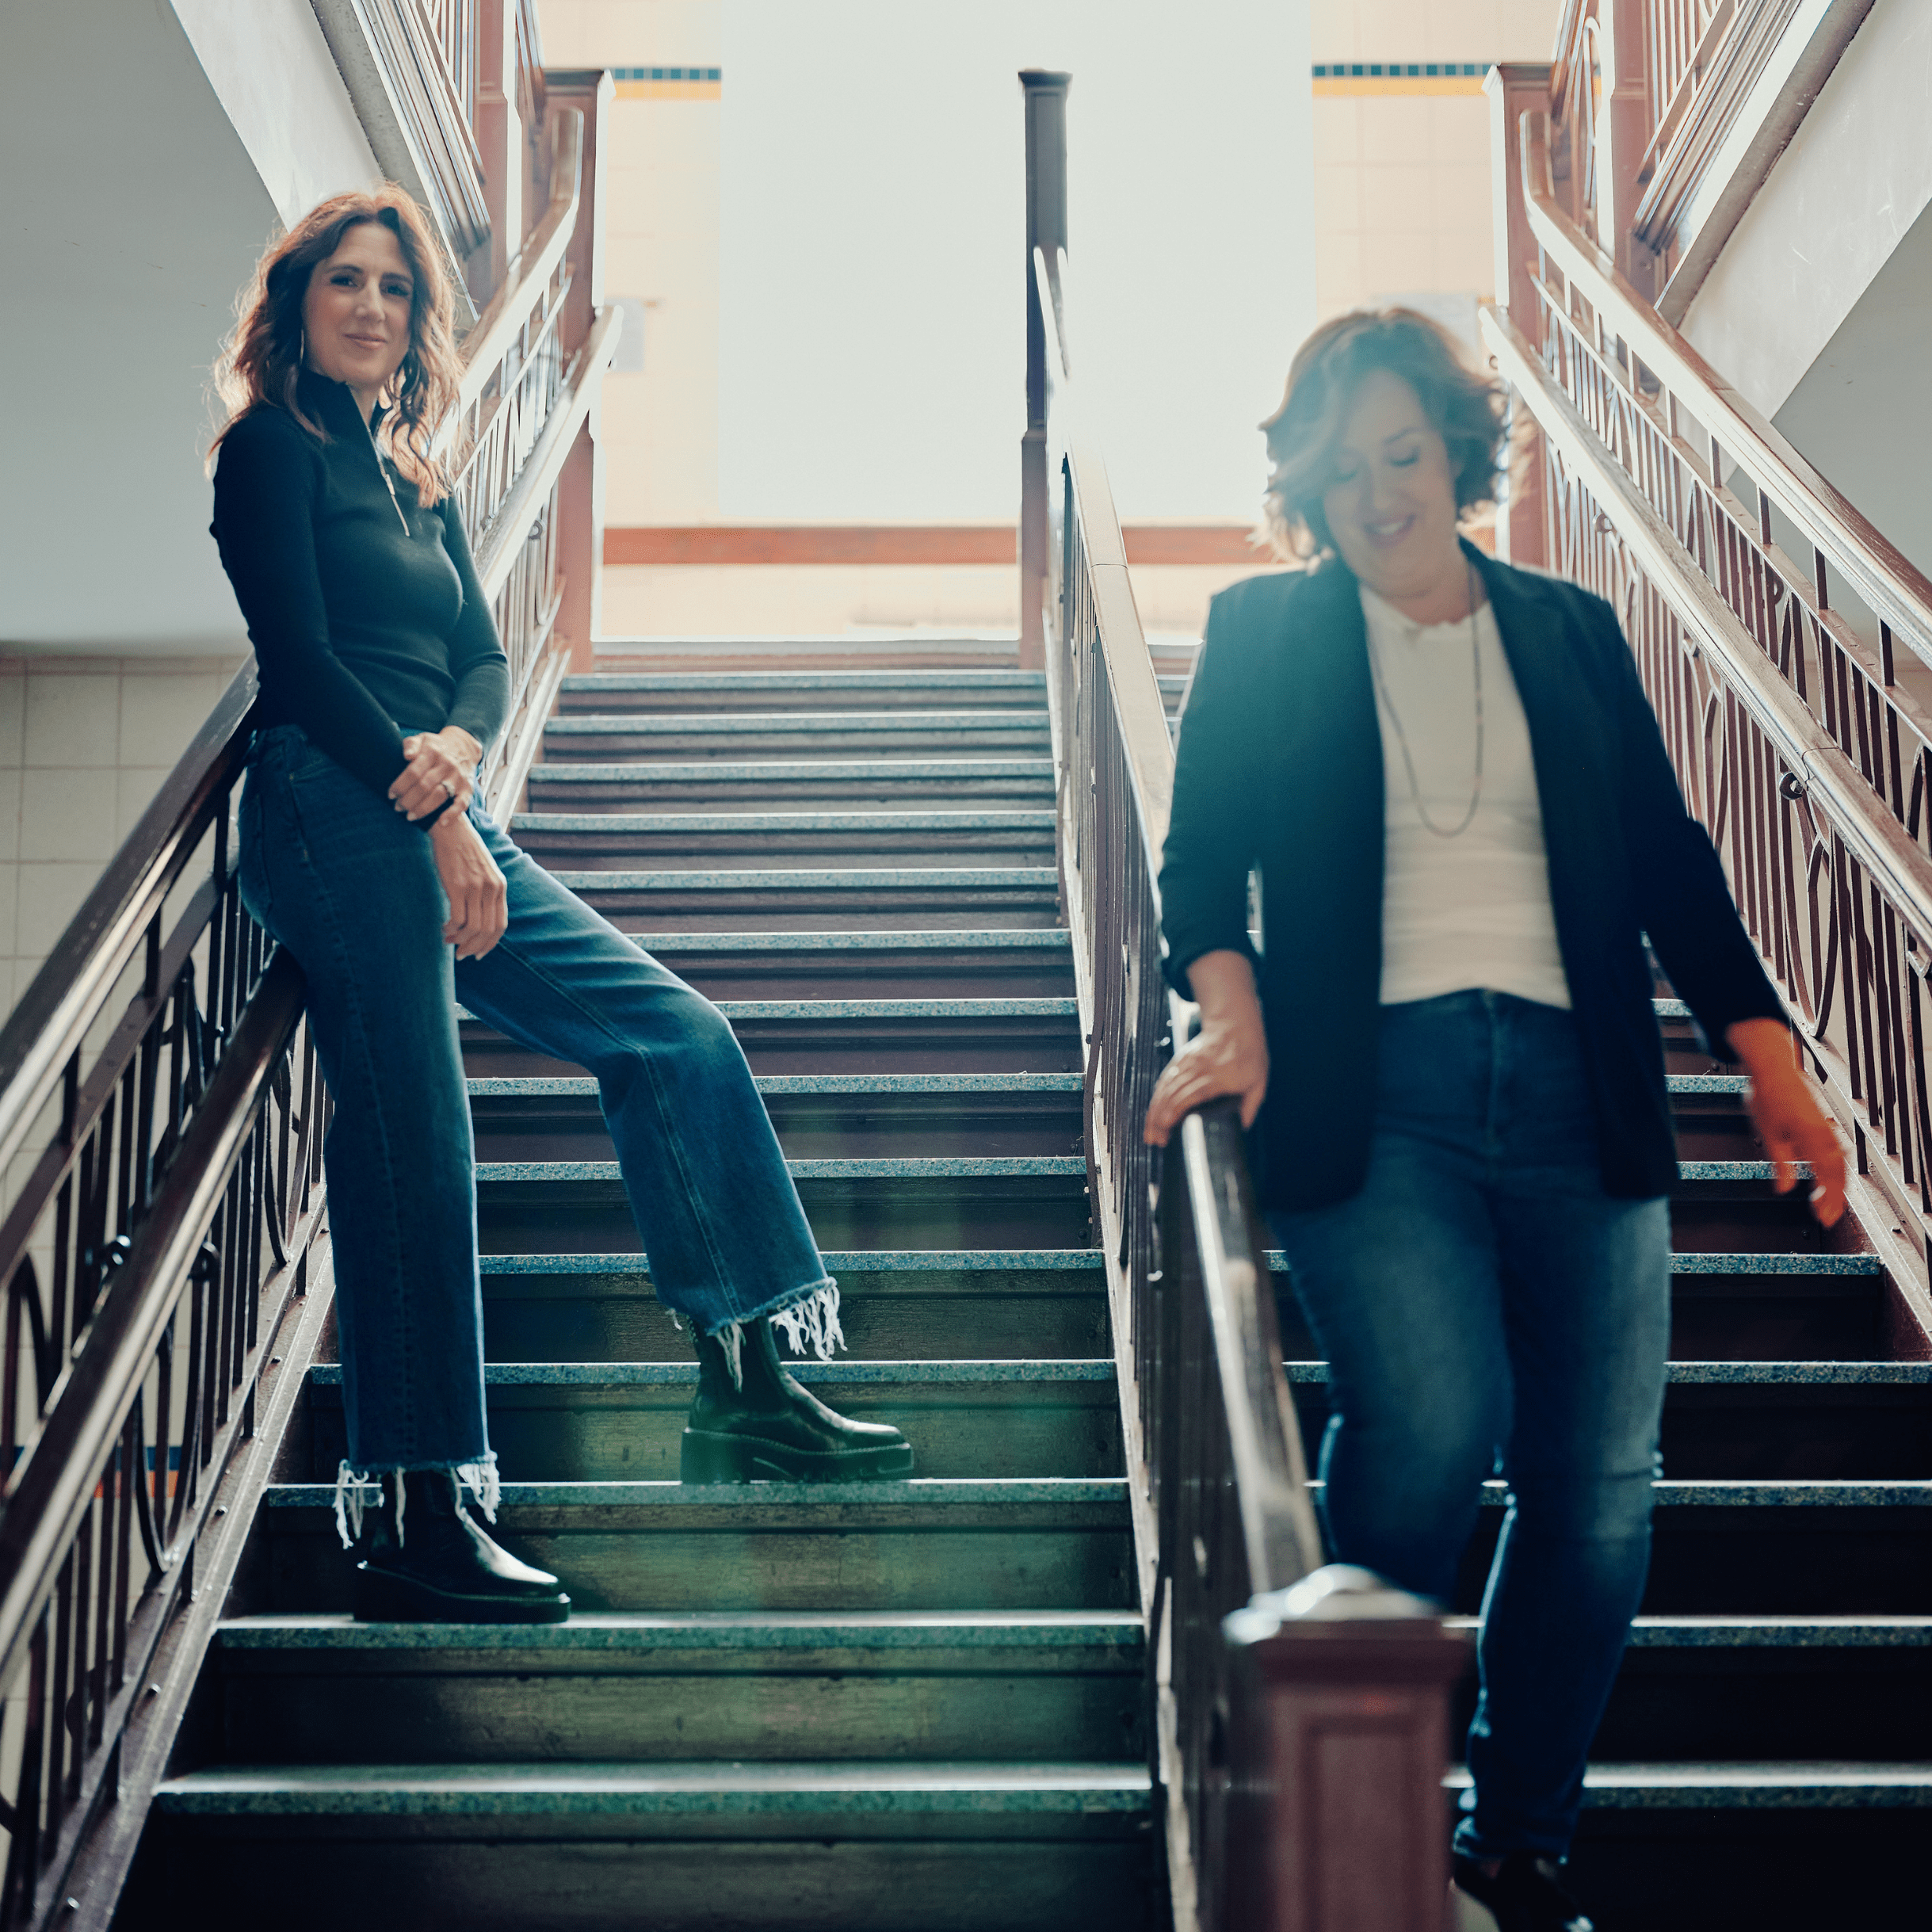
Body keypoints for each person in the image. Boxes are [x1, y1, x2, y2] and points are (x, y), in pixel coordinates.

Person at [1143, 310, 1844, 1930]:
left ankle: (1516, 1840)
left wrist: (1767, 1053)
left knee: (1598, 1482)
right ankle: (1355, 1812)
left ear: (1455, 454)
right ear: (1301, 478)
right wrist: (1229, 1004)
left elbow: (1667, 854)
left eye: (1404, 453)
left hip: (1576, 1089)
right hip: (1369, 1094)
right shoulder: (1262, 629)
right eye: (1342, 463)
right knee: (1434, 1426)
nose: (1378, 490)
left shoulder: (1571, 628)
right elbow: (1200, 866)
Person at [209, 187, 911, 1627]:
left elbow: (478, 650)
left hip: (439, 800)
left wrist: (463, 758)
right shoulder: (265, 454)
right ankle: (418, 1508)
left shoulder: (418, 474)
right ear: (295, 304)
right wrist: (434, 798)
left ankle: (745, 1383)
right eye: (344, 282)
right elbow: (296, 659)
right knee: (417, 1116)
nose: (372, 308)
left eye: (396, 291)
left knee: (676, 1033)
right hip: (327, 793)